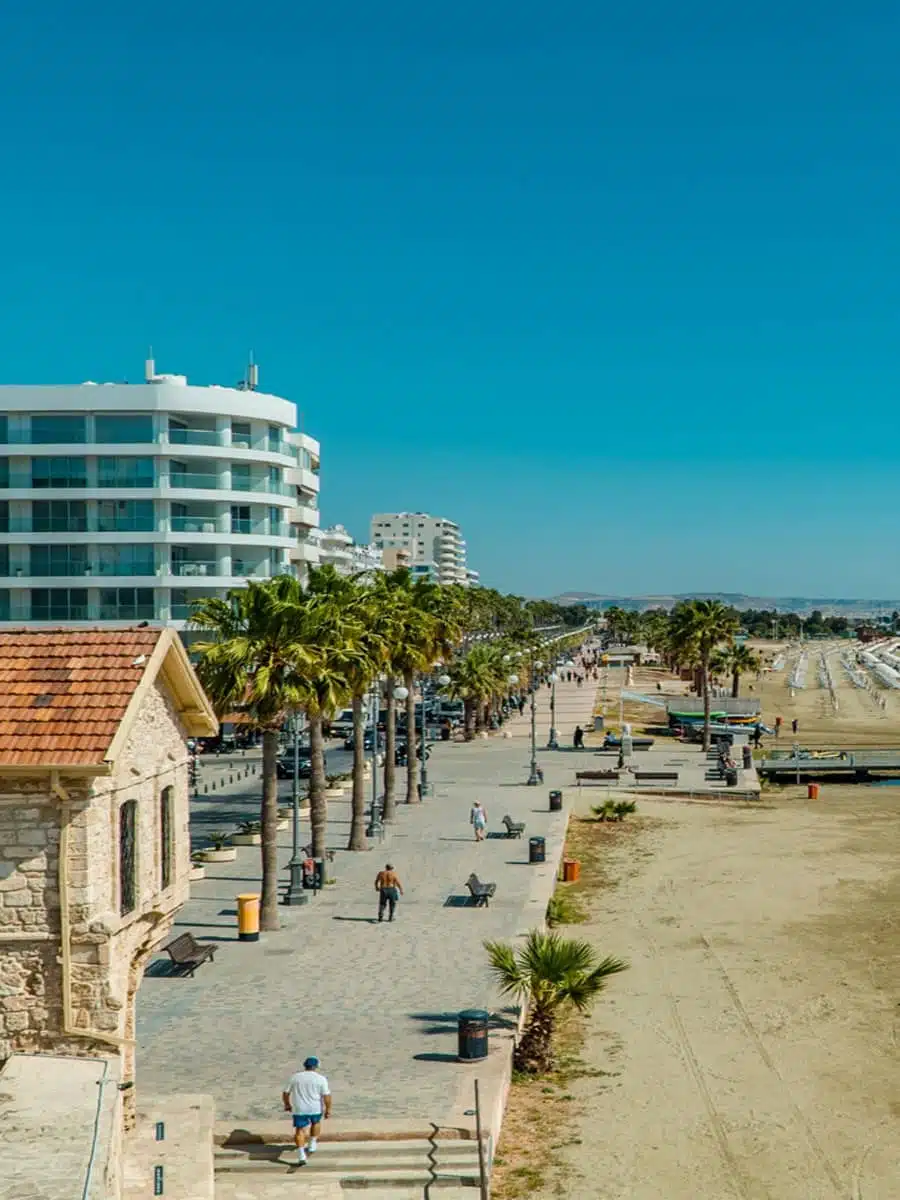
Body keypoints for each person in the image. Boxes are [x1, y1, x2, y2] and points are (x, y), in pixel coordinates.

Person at [282, 1056, 332, 1166]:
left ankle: (301, 1155)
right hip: (315, 1107)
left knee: (299, 1130)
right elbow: (326, 1096)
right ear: (316, 1066)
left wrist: (287, 1104)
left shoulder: (295, 1077)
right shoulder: (321, 1079)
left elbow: (286, 1093)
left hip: (299, 1108)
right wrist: (328, 1109)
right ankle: (312, 1142)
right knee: (316, 1123)